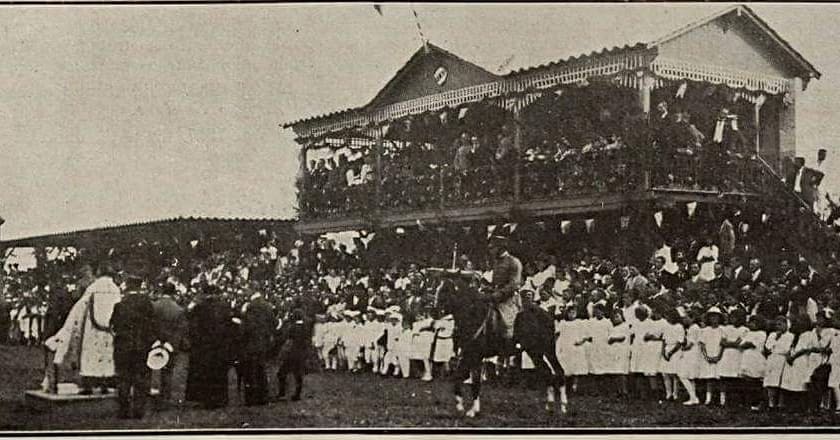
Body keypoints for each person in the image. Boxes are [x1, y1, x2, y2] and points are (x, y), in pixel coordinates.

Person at [45, 263, 122, 395]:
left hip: (92, 329)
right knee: (107, 356)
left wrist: (69, 327)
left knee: (90, 356)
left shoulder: (93, 288)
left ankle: (88, 386)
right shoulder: (116, 290)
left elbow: (79, 308)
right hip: (109, 330)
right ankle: (104, 384)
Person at [110, 273, 158, 419]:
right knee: (141, 379)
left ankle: (123, 411)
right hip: (141, 346)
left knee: (123, 378)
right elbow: (152, 325)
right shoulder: (147, 304)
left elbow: (113, 325)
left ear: (128, 286)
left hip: (123, 346)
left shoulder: (120, 305)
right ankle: (138, 411)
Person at [185, 285, 236, 409]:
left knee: (207, 373)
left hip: (205, 346)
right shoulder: (225, 306)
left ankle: (208, 400)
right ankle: (222, 399)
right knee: (220, 374)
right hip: (221, 346)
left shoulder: (201, 307)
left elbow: (189, 318)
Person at [240, 289, 276, 406]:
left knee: (250, 371)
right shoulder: (267, 305)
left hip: (251, 342)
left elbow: (247, 327)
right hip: (263, 342)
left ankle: (251, 398)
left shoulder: (250, 306)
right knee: (261, 369)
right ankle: (263, 397)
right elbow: (273, 323)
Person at [486, 235, 523, 345]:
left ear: (501, 248)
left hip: (508, 299)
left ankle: (510, 345)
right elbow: (496, 281)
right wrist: (489, 288)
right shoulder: (496, 262)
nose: (491, 250)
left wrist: (500, 293)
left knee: (507, 323)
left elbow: (514, 283)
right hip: (495, 295)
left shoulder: (513, 262)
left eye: (493, 248)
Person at [151, 283, 185, 402]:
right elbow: (179, 330)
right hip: (170, 343)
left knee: (150, 368)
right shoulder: (179, 309)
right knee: (168, 371)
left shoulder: (153, 306)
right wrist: (170, 343)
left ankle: (150, 393)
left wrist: (155, 340)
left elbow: (150, 325)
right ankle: (165, 397)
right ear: (173, 293)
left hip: (154, 341)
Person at [276, 308, 311, 401]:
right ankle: (297, 394)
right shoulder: (305, 327)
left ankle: (282, 393)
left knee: (281, 373)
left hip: (291, 354)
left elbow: (285, 338)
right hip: (301, 354)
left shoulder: (292, 327)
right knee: (298, 375)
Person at [763, 315, 794, 409]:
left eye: (780, 324)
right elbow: (768, 348)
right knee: (771, 382)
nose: (778, 327)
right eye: (776, 325)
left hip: (783, 359)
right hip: (773, 359)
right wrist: (776, 339)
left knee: (782, 383)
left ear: (786, 325)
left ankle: (781, 404)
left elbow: (786, 349)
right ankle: (771, 404)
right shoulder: (773, 335)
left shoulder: (790, 335)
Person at [738, 315, 768, 411]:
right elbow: (742, 345)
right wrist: (746, 344)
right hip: (747, 359)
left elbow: (751, 344)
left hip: (756, 359)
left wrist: (747, 343)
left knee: (756, 381)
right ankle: (748, 402)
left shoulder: (762, 333)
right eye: (751, 322)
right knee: (747, 381)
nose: (752, 324)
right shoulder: (748, 333)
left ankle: (758, 402)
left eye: (754, 322)